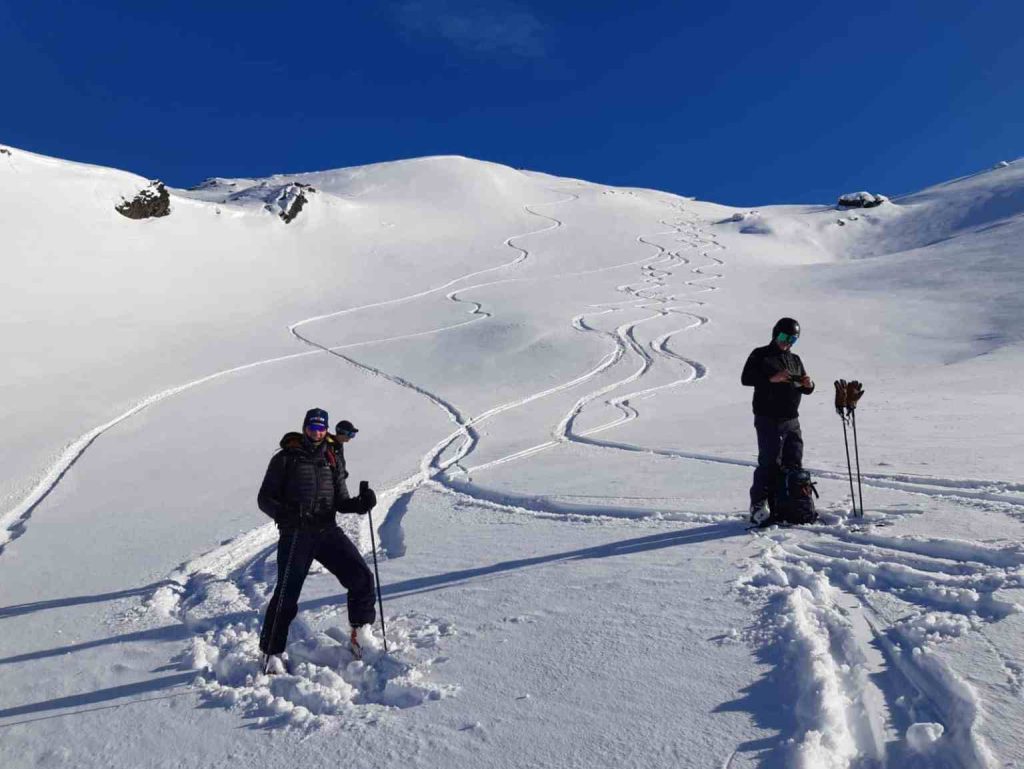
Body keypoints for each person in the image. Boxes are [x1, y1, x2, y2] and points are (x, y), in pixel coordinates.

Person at [257, 408, 378, 673]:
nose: (317, 433)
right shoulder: (285, 458)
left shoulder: (332, 457)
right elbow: (264, 498)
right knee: (287, 593)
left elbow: (342, 501)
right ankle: (271, 652)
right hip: (296, 534)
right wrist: (285, 514)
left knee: (361, 577)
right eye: (312, 428)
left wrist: (360, 504)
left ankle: (360, 634)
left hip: (326, 530)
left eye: (321, 428)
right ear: (304, 428)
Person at [741, 318, 815, 524]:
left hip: (792, 418)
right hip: (768, 417)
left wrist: (808, 384)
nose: (788, 342)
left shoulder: (795, 359)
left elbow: (805, 387)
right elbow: (746, 378)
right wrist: (771, 379)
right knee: (770, 462)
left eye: (793, 339)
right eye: (784, 337)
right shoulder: (761, 354)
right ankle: (758, 505)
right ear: (775, 334)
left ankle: (788, 504)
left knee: (793, 462)